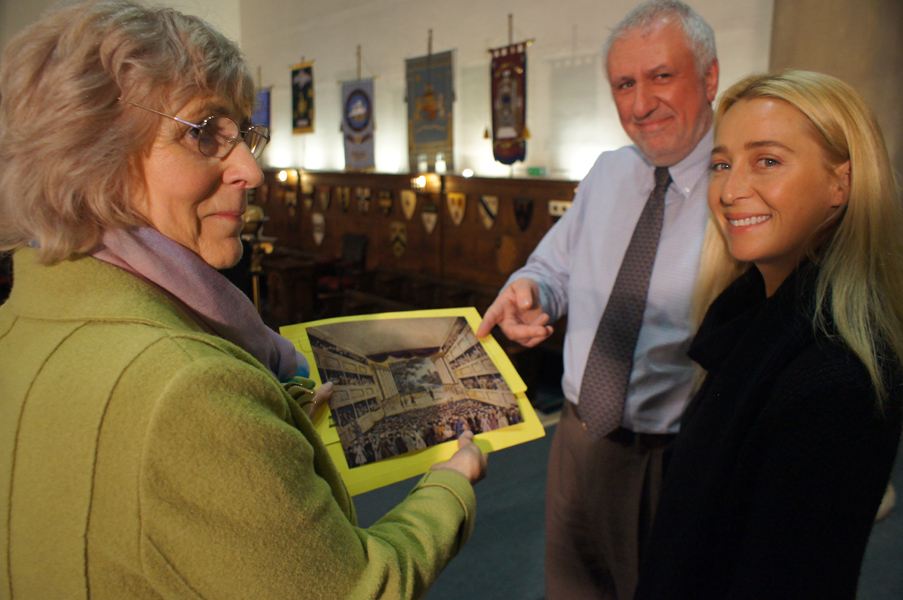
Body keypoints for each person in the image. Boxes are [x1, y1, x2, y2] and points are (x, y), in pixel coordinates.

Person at [0, 2, 486, 598]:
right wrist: (450, 483)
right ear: (91, 154)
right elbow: (360, 588)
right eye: (204, 133)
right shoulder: (190, 389)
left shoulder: (24, 317)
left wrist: (272, 423)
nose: (253, 172)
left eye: (242, 134)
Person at [477, 1, 718, 598]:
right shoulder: (609, 173)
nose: (640, 105)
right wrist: (528, 292)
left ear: (709, 78)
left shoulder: (740, 189)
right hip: (577, 439)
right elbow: (551, 268)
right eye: (624, 84)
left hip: (671, 457)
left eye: (662, 76)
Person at [636, 70, 903, 599]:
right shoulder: (752, 317)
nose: (731, 191)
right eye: (723, 164)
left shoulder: (833, 378)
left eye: (768, 161)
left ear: (840, 184)